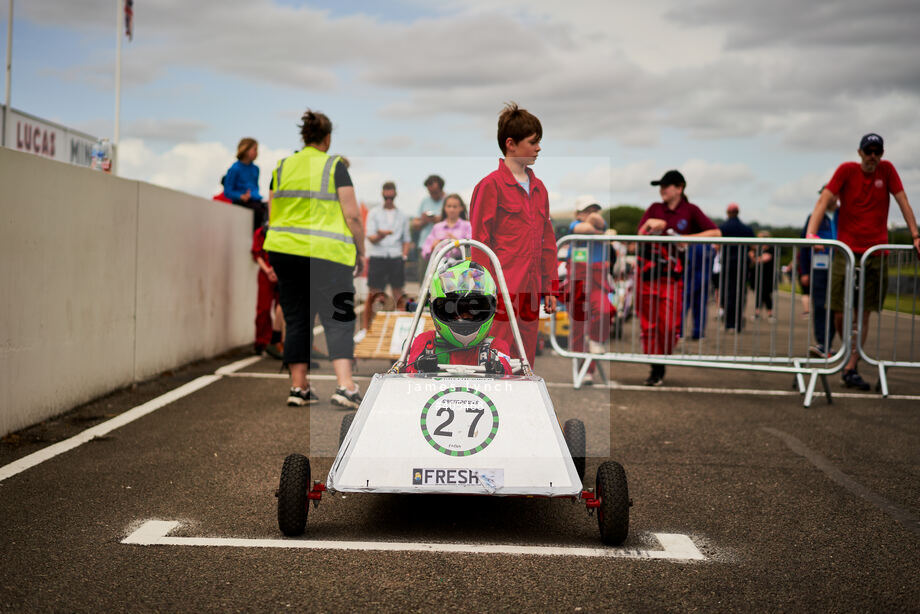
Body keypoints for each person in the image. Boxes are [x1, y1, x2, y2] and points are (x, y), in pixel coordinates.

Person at [264, 109, 366, 408]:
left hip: (285, 251)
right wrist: (360, 251)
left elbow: (273, 212)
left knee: (296, 319)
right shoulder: (334, 166)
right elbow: (352, 215)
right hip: (328, 254)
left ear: (304, 136)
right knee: (339, 317)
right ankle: (345, 386)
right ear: (328, 137)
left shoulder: (282, 167)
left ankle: (298, 387)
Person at [806, 132, 920, 390]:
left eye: (877, 152)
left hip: (875, 252)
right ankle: (844, 350)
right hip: (846, 251)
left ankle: (850, 365)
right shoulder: (847, 170)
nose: (872, 157)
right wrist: (812, 232)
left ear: (881, 154)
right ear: (859, 153)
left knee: (863, 311)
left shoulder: (887, 170)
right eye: (868, 151)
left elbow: (903, 200)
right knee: (838, 309)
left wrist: (915, 234)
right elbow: (824, 198)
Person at [470, 102, 558, 367]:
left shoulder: (540, 188)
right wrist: (484, 290)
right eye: (533, 142)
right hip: (501, 289)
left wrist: (550, 286)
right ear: (511, 144)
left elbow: (548, 243)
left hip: (530, 290)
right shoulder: (490, 186)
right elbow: (480, 243)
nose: (538, 148)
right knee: (496, 356)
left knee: (525, 356)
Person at [637, 170, 720, 386]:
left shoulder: (690, 210)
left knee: (668, 323)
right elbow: (638, 236)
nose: (662, 190)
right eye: (660, 186)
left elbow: (715, 233)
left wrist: (685, 238)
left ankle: (661, 360)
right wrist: (650, 225)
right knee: (649, 324)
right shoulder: (654, 208)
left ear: (679, 188)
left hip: (672, 278)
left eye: (666, 186)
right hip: (649, 275)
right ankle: (655, 367)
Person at [405, 261, 513, 375]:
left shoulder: (496, 346)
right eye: (453, 309)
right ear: (435, 309)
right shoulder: (426, 341)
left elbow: (506, 377)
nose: (464, 316)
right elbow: (410, 377)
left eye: (473, 309)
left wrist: (498, 369)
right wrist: (420, 367)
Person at [566, 195, 612, 384]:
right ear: (577, 214)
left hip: (596, 281)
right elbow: (582, 228)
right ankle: (583, 371)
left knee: (605, 310)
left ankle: (595, 342)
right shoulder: (574, 226)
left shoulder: (601, 224)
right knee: (577, 328)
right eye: (587, 210)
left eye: (595, 209)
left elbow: (598, 222)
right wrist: (595, 228)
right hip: (577, 281)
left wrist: (593, 220)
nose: (592, 214)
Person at [364, 181, 412, 330]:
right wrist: (381, 235)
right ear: (383, 195)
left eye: (391, 197)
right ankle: (367, 328)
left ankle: (402, 329)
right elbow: (370, 237)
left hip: (396, 257)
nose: (389, 199)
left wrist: (404, 256)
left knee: (398, 292)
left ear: (395, 195)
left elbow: (406, 239)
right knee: (373, 293)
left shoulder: (402, 215)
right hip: (378, 255)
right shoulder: (374, 213)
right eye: (386, 197)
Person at [799, 188, 838, 357]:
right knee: (820, 305)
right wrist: (804, 271)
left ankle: (833, 343)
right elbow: (804, 246)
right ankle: (823, 343)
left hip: (840, 265)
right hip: (819, 267)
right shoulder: (814, 216)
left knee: (837, 307)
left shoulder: (843, 215)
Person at [719, 202, 755, 332]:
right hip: (742, 264)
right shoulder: (746, 229)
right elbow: (753, 247)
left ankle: (728, 324)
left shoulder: (723, 227)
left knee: (728, 293)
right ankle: (738, 323)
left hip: (728, 264)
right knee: (740, 293)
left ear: (728, 213)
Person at [251, 221, 283, 359]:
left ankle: (278, 342)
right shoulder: (261, 232)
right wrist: (268, 270)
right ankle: (262, 342)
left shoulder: (284, 229)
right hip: (266, 273)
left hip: (282, 272)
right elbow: (257, 254)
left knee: (282, 307)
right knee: (263, 308)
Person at [224, 138, 267, 231]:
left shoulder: (256, 169)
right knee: (259, 213)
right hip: (242, 202)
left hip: (255, 201)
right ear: (246, 150)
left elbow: (255, 188)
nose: (257, 152)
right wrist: (241, 196)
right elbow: (228, 191)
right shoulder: (234, 169)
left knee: (268, 208)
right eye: (254, 149)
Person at [412, 175, 446, 280]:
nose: (432, 195)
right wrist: (424, 221)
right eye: (430, 192)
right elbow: (415, 224)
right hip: (425, 246)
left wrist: (440, 219)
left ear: (441, 189)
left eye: (435, 192)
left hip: (444, 247)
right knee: (424, 278)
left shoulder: (449, 201)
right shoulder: (425, 201)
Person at [421, 193, 472, 262]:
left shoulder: (467, 226)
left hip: (461, 266)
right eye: (449, 206)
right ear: (444, 208)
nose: (451, 209)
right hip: (440, 267)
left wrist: (457, 242)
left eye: (455, 206)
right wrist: (433, 247)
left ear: (461, 208)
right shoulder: (437, 227)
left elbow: (473, 249)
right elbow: (424, 253)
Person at [683, 241, 715, 340]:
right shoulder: (709, 246)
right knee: (701, 306)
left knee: (684, 305)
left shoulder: (694, 245)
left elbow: (690, 262)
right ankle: (699, 332)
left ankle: (679, 332)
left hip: (692, 278)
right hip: (704, 278)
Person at [750, 230, 775, 321]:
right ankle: (757, 312)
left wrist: (754, 257)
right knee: (758, 294)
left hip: (767, 275)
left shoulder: (770, 249)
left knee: (766, 295)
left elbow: (764, 259)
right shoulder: (758, 249)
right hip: (757, 275)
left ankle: (770, 313)